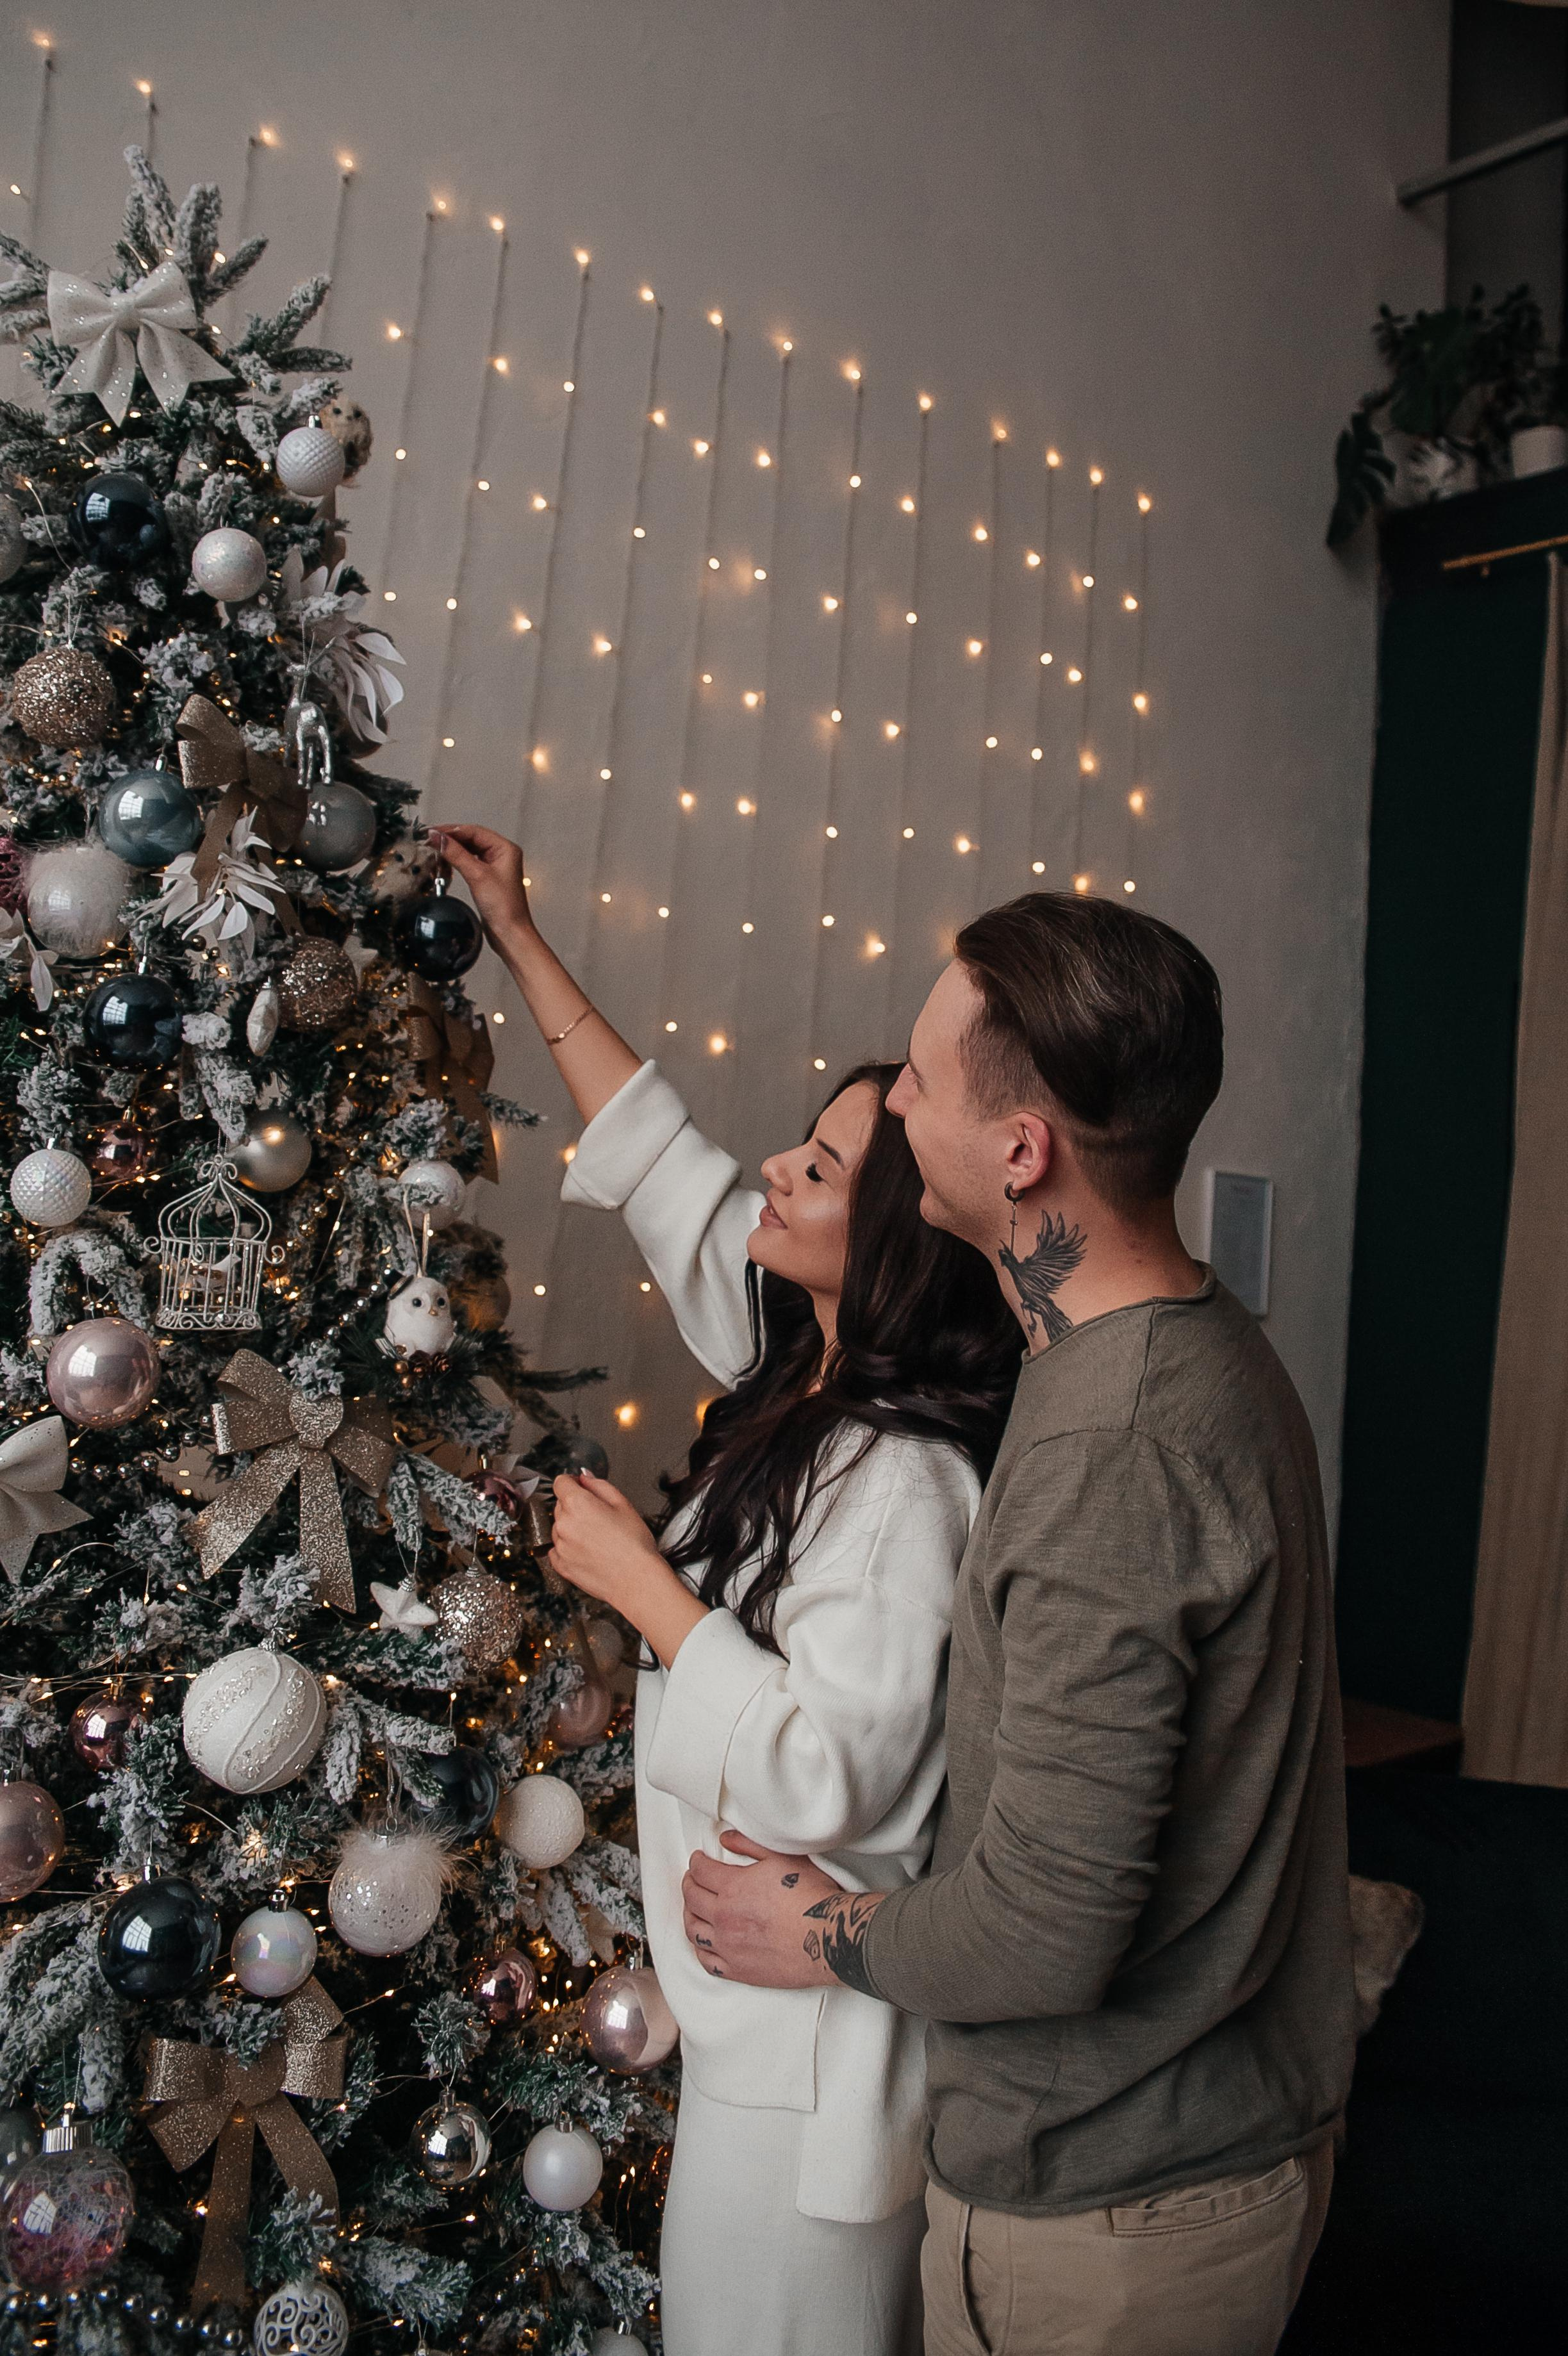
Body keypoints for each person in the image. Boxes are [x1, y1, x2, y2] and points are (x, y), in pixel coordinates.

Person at [681, 889, 1358, 2356]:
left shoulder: (1113, 1446)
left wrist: (825, 1933)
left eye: (917, 1080)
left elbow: (1044, 1938)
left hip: (1108, 2211)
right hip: (1198, 2155)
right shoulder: (1188, 1342)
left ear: (1022, 1149)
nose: (894, 1106)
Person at [431, 823, 1021, 2356]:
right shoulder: (793, 1379)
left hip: (820, 2087)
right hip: (753, 2056)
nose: (776, 1166)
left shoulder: (906, 1486)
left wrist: (647, 1590)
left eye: (818, 1167)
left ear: (891, 1243)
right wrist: (518, 929)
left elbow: (832, 1769)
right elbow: (661, 1160)